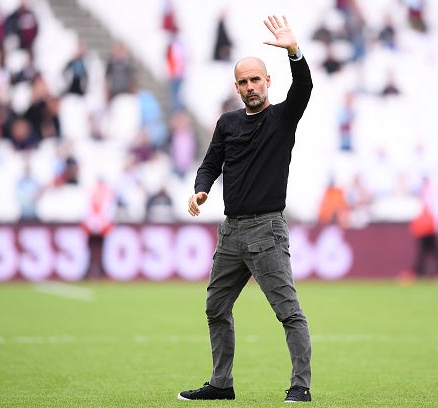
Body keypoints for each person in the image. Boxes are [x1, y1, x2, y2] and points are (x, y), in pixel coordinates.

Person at [179, 15, 313, 403]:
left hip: (266, 231)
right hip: (231, 232)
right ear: (236, 86)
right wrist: (200, 190)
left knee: (288, 311)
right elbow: (209, 164)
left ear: (268, 81)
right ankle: (222, 384)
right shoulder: (227, 123)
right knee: (215, 306)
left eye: (256, 79)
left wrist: (294, 51)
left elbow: (303, 87)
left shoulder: (282, 118)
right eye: (243, 81)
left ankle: (300, 386)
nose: (250, 86)